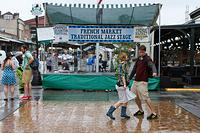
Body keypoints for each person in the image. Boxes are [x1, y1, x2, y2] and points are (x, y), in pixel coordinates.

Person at [128, 45, 158, 120]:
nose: (141, 53)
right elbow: (134, 69)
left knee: (146, 98)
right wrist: (130, 78)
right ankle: (141, 110)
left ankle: (154, 113)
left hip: (143, 82)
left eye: (142, 52)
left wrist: (154, 71)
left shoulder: (147, 59)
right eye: (139, 52)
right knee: (135, 96)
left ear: (145, 51)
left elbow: (152, 65)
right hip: (136, 81)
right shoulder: (139, 59)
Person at [106, 53, 135, 120]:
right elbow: (123, 75)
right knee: (122, 100)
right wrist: (124, 84)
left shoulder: (119, 65)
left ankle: (123, 113)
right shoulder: (124, 65)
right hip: (122, 85)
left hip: (120, 84)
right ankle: (110, 112)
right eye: (126, 56)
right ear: (124, 58)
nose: (127, 57)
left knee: (126, 99)